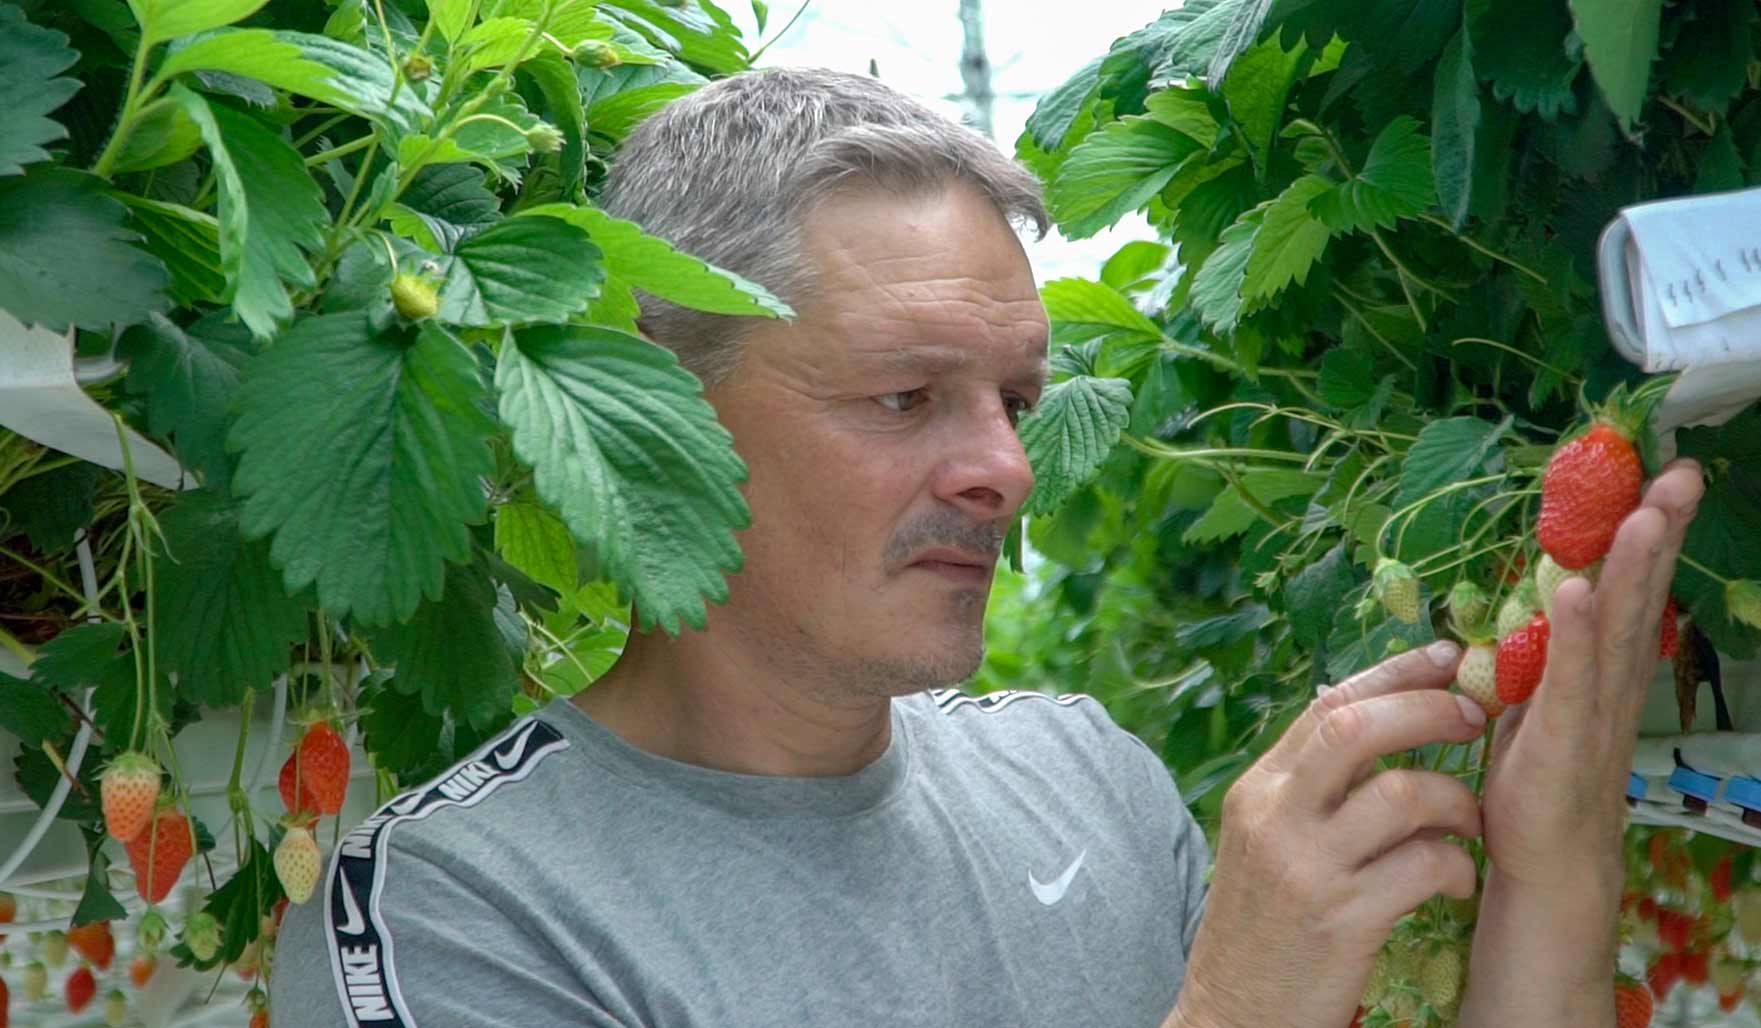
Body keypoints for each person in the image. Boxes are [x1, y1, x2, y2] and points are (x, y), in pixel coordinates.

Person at [272, 67, 1704, 1027]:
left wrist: (1551, 862)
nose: (1007, 469)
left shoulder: (1083, 778)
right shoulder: (467, 913)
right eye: (905, 396)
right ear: (661, 412)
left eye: (1015, 399)